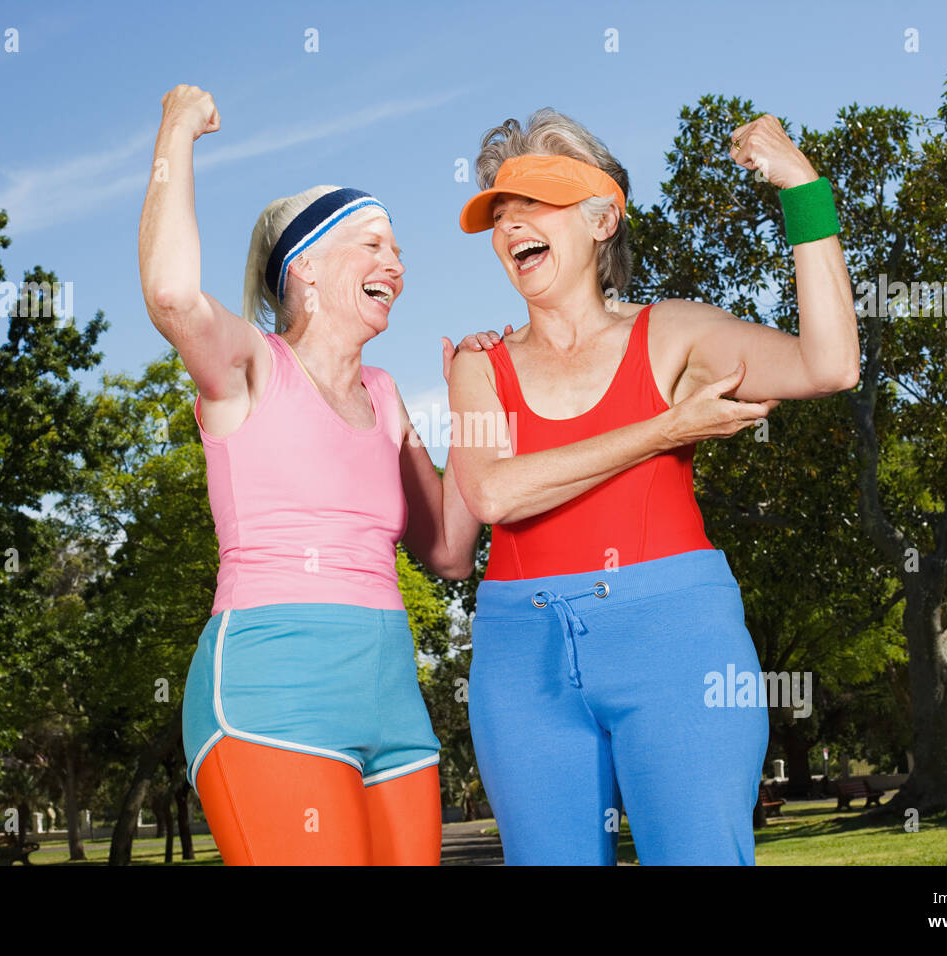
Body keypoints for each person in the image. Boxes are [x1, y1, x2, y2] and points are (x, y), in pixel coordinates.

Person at [448, 107, 859, 865]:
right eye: (500, 215)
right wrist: (665, 430)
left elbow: (828, 364)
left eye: (534, 206)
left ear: (603, 216)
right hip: (519, 653)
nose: (511, 228)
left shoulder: (672, 334)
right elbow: (494, 496)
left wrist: (803, 189)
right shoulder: (479, 366)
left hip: (675, 638)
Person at [139, 84, 498, 865]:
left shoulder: (384, 393)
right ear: (303, 267)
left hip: (393, 706)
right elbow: (171, 295)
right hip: (274, 691)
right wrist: (178, 130)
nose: (395, 265)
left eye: (398, 251)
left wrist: (478, 405)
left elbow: (446, 552)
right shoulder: (249, 369)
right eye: (372, 244)